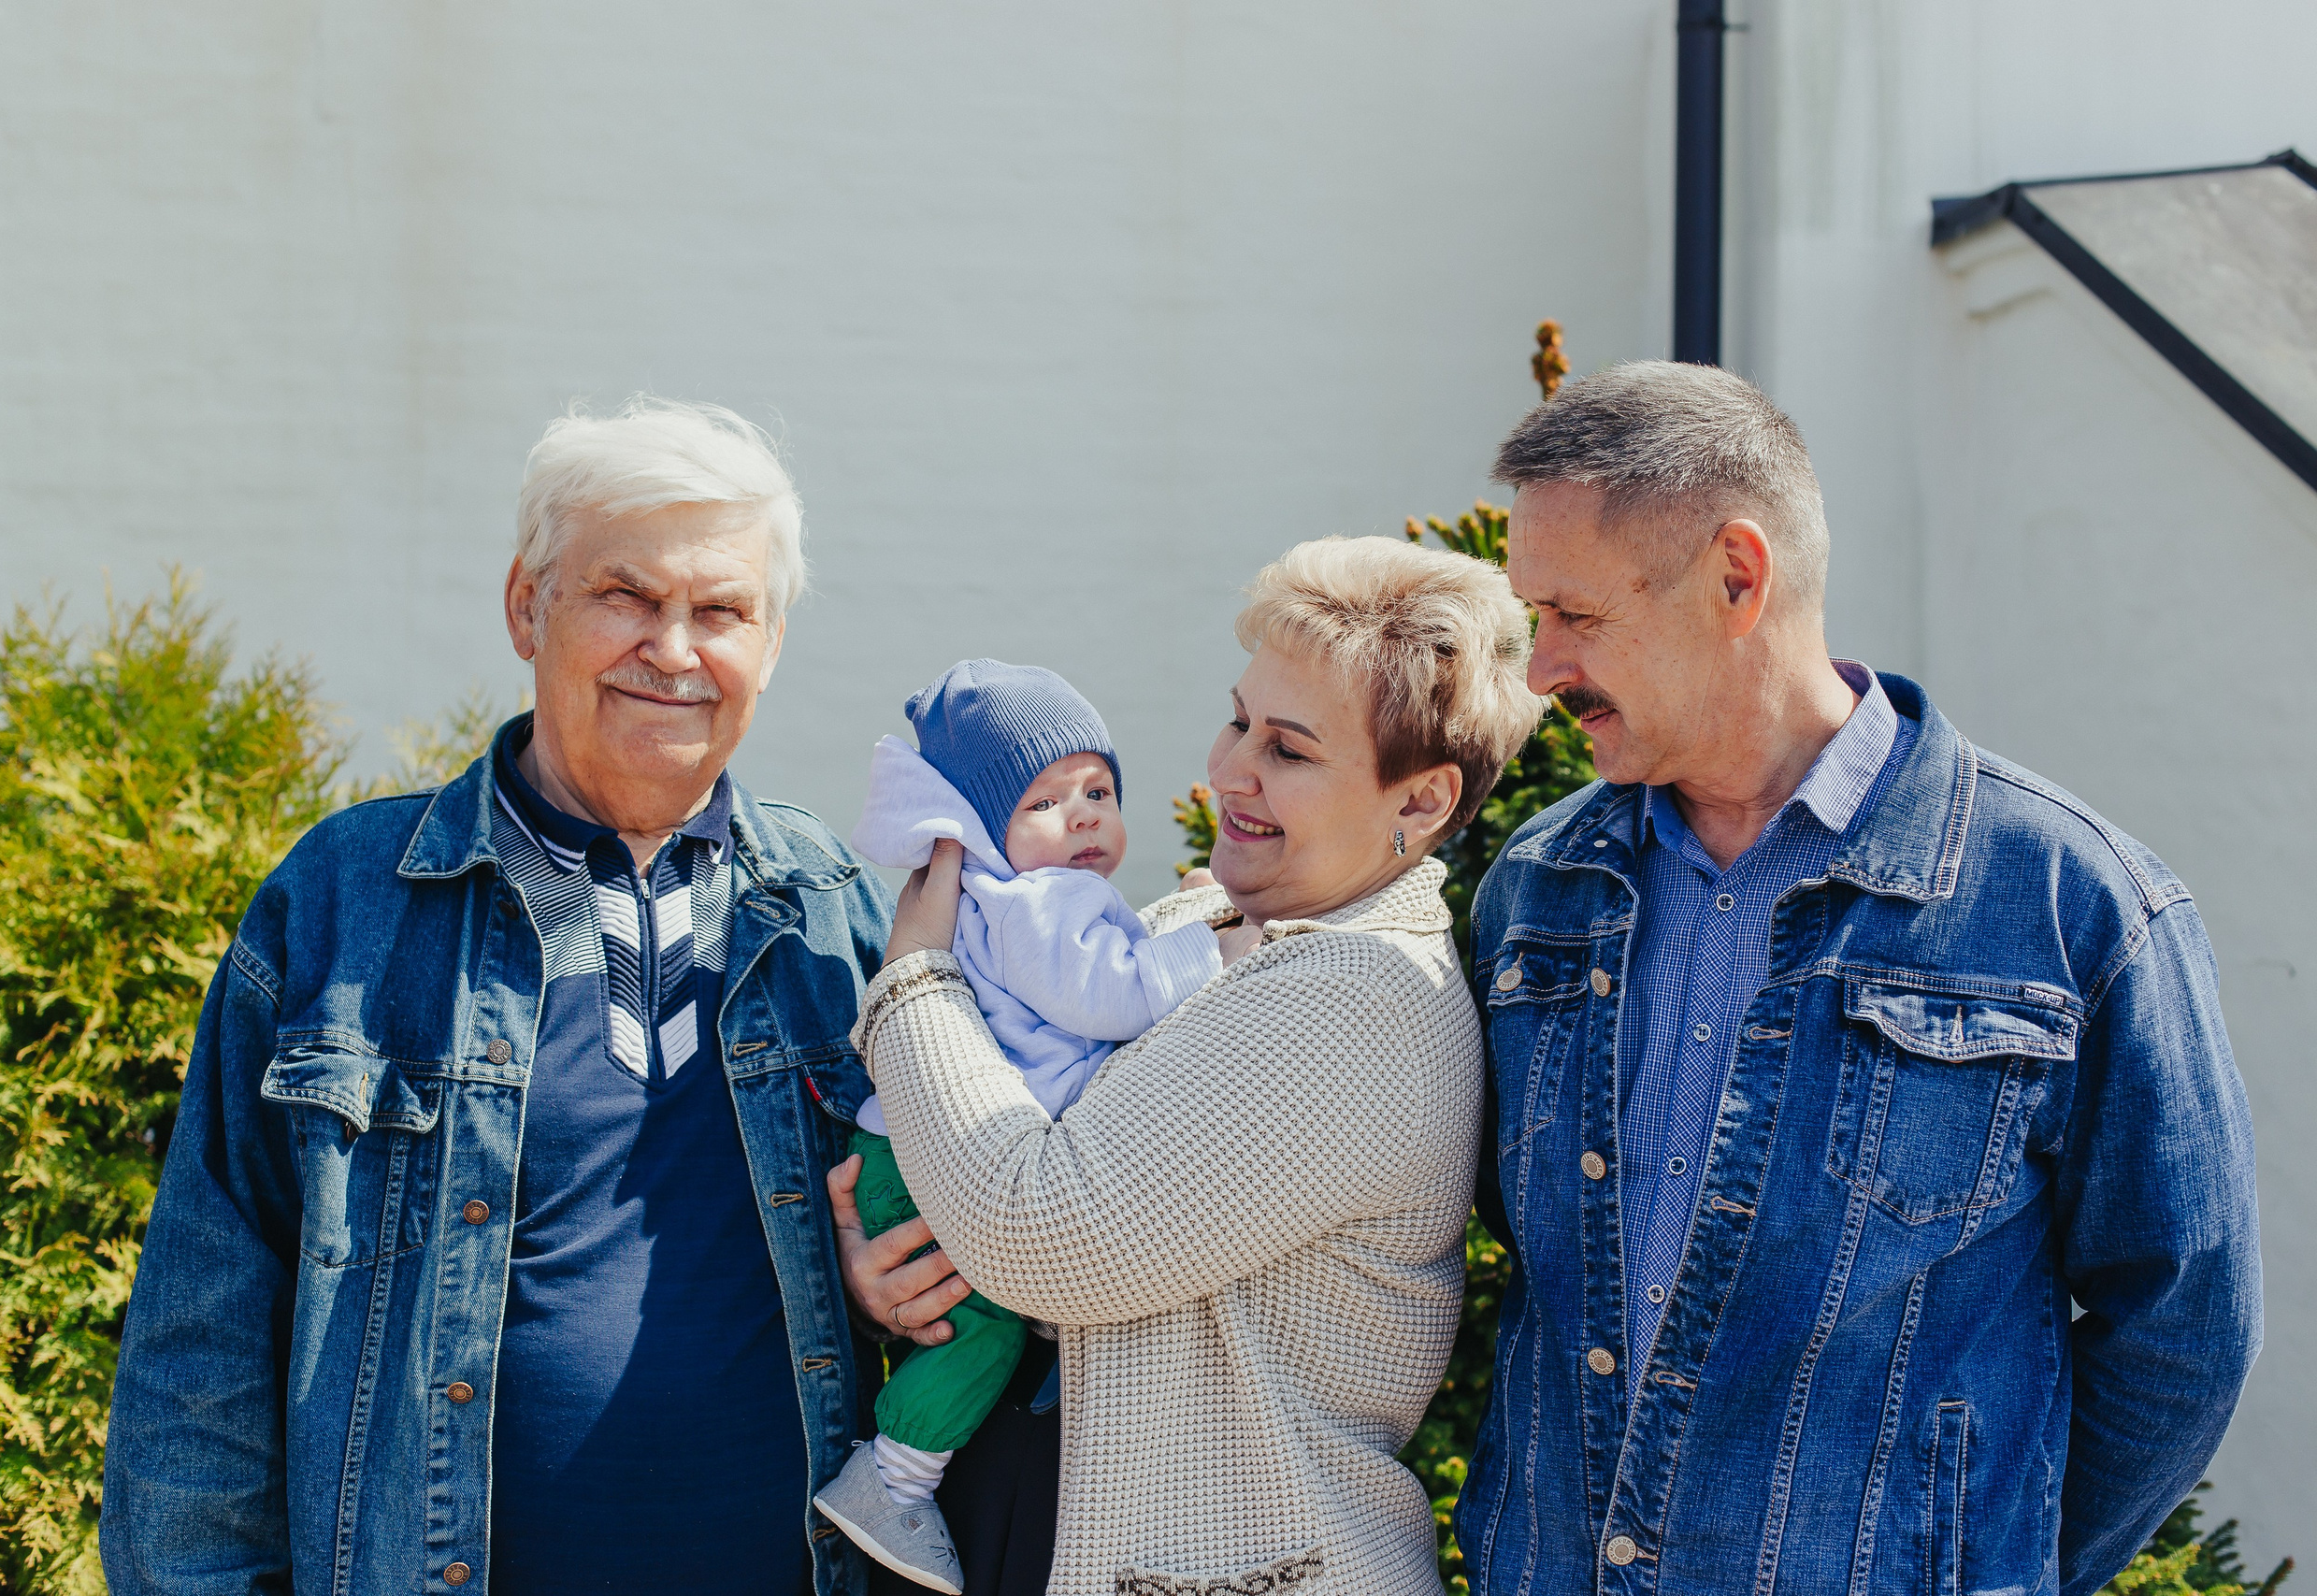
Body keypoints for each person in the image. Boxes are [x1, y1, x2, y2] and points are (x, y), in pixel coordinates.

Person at [1454, 362, 2262, 1596]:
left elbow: (2182, 1330)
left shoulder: (2076, 904)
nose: (1542, 668)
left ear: (1738, 573)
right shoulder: (1541, 885)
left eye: (1576, 616)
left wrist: (1995, 1565)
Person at [101, 397, 897, 1595]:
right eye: (625, 595)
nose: (674, 651)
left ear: (771, 642)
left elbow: (954, 1271)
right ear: (529, 606)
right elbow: (200, 1343)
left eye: (721, 610)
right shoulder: (343, 908)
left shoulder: (831, 912)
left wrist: (895, 1293)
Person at [843, 537, 1541, 1596]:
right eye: (1237, 720)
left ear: (1421, 802)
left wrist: (913, 982)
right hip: (1037, 1517)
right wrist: (892, 1264)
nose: (1227, 771)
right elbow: (993, 1161)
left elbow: (1040, 1234)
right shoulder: (1209, 920)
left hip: (1227, 1563)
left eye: (1289, 751)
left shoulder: (1357, 1003)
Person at [816, 659, 1240, 1591]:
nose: (1082, 813)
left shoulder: (1003, 899)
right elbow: (1104, 997)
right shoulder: (1035, 900)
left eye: (1098, 789)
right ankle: (892, 1483)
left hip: (917, 1147)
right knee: (986, 1334)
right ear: (979, 829)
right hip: (924, 1159)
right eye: (1043, 800)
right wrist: (1213, 951)